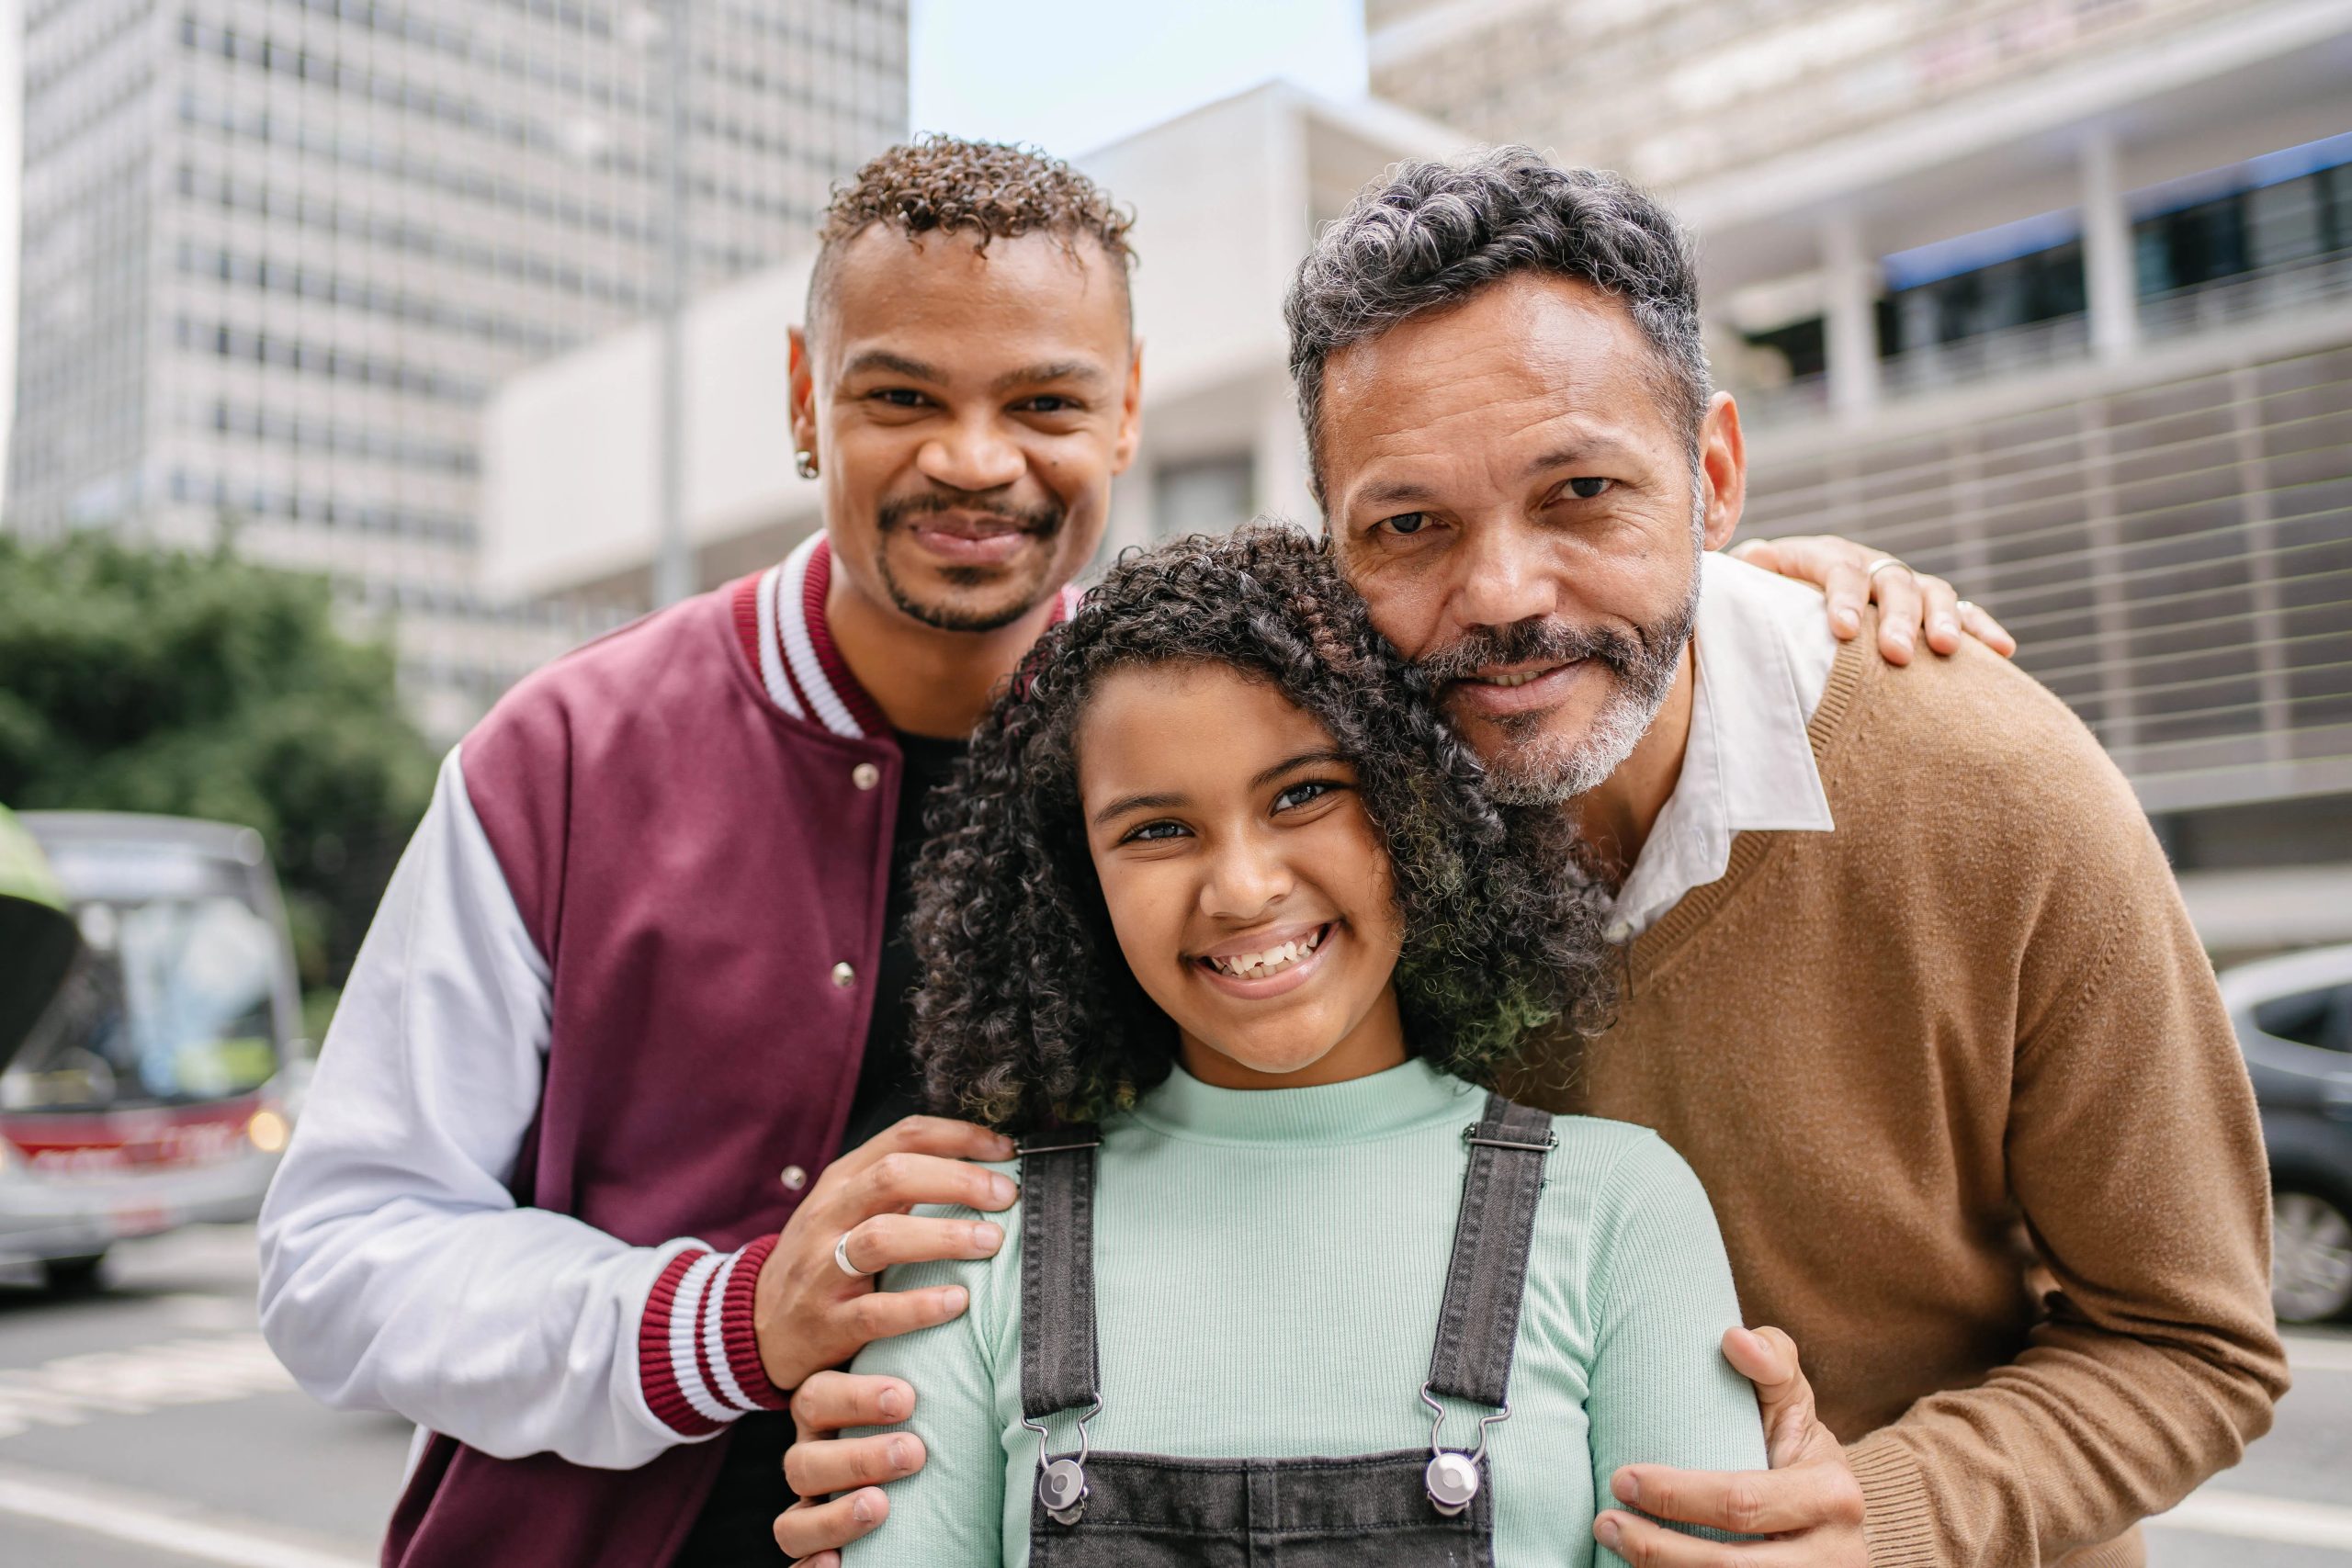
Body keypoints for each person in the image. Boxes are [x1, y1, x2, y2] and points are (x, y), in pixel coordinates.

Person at [254, 136, 2002, 1568]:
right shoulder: (559, 758)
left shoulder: (1215, 691)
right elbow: (333, 1254)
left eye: (1044, 399)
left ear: (1128, 412)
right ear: (804, 399)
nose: (974, 460)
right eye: (897, 396)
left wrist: (1759, 586)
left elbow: (1520, 616)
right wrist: (722, 1324)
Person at [788, 151, 2288, 1568]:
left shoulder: (1997, 792)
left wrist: (1881, 1517)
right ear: (1335, 553)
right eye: (1412, 523)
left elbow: (2196, 1338)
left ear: (1715, 476)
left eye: (1583, 492)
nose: (1503, 593)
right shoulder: (1360, 797)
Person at [842, 523, 1765, 1566]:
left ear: (1418, 804)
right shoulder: (968, 1249)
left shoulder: (1619, 1215)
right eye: (1155, 830)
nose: (1243, 889)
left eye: (1303, 793)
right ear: (1074, 881)